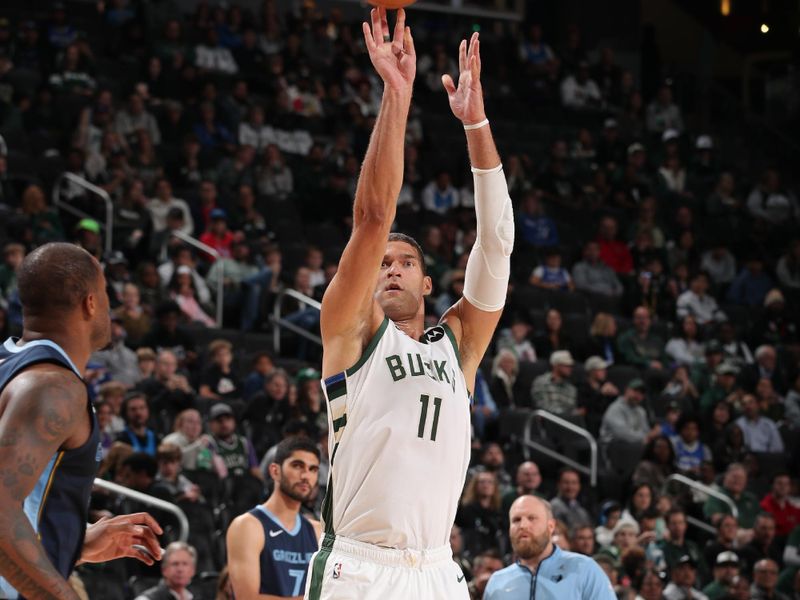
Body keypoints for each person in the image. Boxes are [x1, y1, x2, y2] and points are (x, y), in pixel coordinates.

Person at [305, 18, 512, 600]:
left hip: (438, 571)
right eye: (382, 263)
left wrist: (476, 124)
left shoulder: (460, 345)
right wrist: (397, 94)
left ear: (426, 284)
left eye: (405, 262)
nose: (390, 267)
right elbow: (372, 219)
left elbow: (496, 244)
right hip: (359, 567)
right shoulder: (351, 329)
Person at [0, 243, 163, 599]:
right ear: (90, 303)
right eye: (105, 293)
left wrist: (79, 542)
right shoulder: (53, 387)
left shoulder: (13, 368)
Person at [226, 437, 321, 598]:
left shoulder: (317, 530)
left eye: (313, 469)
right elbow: (248, 598)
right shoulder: (247, 526)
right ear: (275, 471)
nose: (306, 476)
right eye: (297, 466)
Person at [483, 495, 615, 599]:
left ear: (551, 526)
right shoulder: (497, 582)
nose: (523, 525)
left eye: (532, 518)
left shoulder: (584, 569)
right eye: (516, 520)